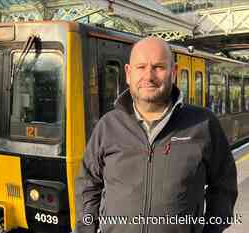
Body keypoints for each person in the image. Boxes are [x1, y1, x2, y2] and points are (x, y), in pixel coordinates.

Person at [74, 37, 238, 233]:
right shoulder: (108, 126)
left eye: (158, 67)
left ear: (174, 72)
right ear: (128, 73)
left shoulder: (203, 124)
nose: (148, 76)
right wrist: (86, 229)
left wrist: (211, 230)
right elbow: (88, 184)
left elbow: (224, 184)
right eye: (141, 67)